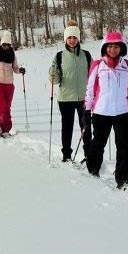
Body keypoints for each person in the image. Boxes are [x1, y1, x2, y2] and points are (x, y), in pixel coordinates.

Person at [84, 31, 128, 188]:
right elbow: (90, 91)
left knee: (124, 147)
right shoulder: (97, 66)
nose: (113, 50)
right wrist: (86, 110)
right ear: (104, 48)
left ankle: (123, 180)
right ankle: (93, 171)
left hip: (123, 112)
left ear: (122, 48)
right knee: (98, 144)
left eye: (116, 47)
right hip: (101, 112)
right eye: (110, 46)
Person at [48, 24, 92, 162]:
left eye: (75, 37)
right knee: (67, 127)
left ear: (78, 39)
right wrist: (52, 73)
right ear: (65, 39)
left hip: (84, 98)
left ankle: (88, 154)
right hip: (65, 98)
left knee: (86, 126)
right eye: (69, 38)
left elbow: (93, 75)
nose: (72, 40)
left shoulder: (86, 55)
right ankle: (66, 154)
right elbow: (55, 81)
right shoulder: (59, 56)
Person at [0, 31, 24, 136]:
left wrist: (20, 70)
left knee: (7, 106)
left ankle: (6, 128)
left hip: (9, 84)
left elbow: (15, 68)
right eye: (4, 44)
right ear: (1, 44)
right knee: (0, 102)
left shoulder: (12, 54)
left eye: (8, 45)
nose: (6, 46)